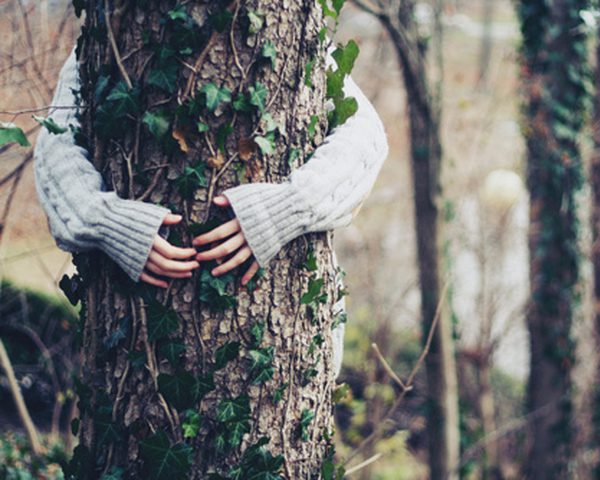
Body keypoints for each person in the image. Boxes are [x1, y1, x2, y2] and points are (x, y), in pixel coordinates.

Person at [33, 44, 389, 378]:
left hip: (290, 364)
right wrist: (107, 222)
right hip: (134, 357)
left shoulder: (302, 28)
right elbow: (54, 148)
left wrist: (290, 206)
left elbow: (366, 137)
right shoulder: (103, 33)